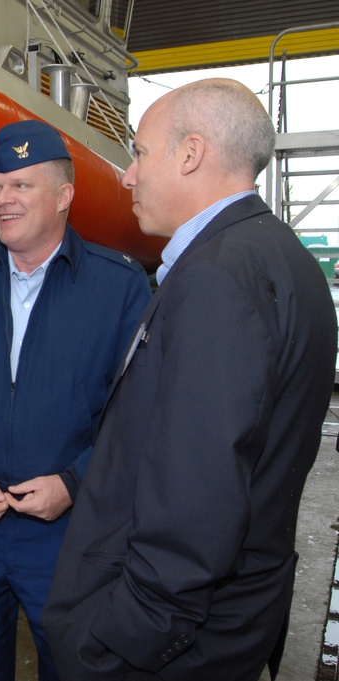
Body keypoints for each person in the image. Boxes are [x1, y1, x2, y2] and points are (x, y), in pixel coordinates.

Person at [43, 78, 338, 680]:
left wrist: (121, 639)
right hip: (238, 619)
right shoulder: (286, 259)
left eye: (141, 153)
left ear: (191, 153)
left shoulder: (215, 278)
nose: (128, 175)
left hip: (177, 644)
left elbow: (198, 490)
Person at [0, 119, 151, 681]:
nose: (2, 200)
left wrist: (73, 483)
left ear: (64, 196)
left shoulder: (119, 289)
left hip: (72, 536)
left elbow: (139, 413)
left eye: (21, 186)